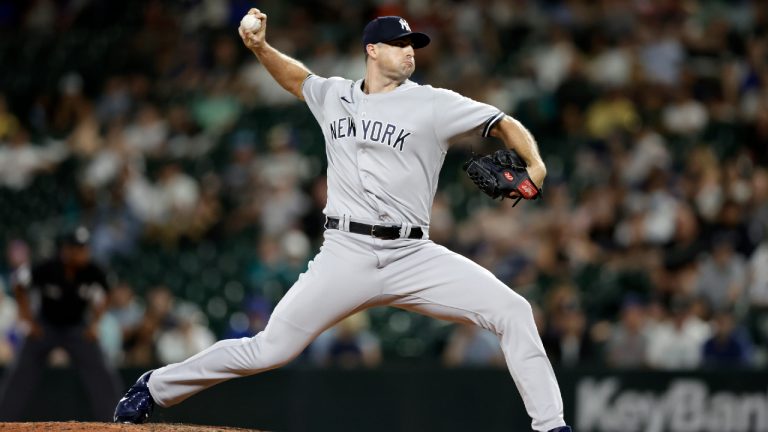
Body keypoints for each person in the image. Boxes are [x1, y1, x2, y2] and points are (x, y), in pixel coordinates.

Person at [114, 11, 571, 432]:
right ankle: (154, 387)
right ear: (372, 50)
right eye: (398, 43)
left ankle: (551, 427)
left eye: (413, 44)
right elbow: (298, 80)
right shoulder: (334, 95)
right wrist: (259, 47)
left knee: (513, 310)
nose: (410, 50)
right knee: (270, 349)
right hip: (345, 254)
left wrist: (536, 164)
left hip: (413, 254)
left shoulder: (434, 103)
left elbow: (502, 121)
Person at [0, 226, 122, 421]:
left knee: (101, 373)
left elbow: (109, 292)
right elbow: (18, 284)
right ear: (66, 249)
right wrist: (27, 319)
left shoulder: (93, 270)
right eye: (78, 248)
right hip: (46, 326)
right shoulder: (47, 267)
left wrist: (95, 322)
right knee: (20, 373)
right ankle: (3, 420)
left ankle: (115, 420)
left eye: (85, 248)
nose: (83, 253)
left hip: (76, 327)